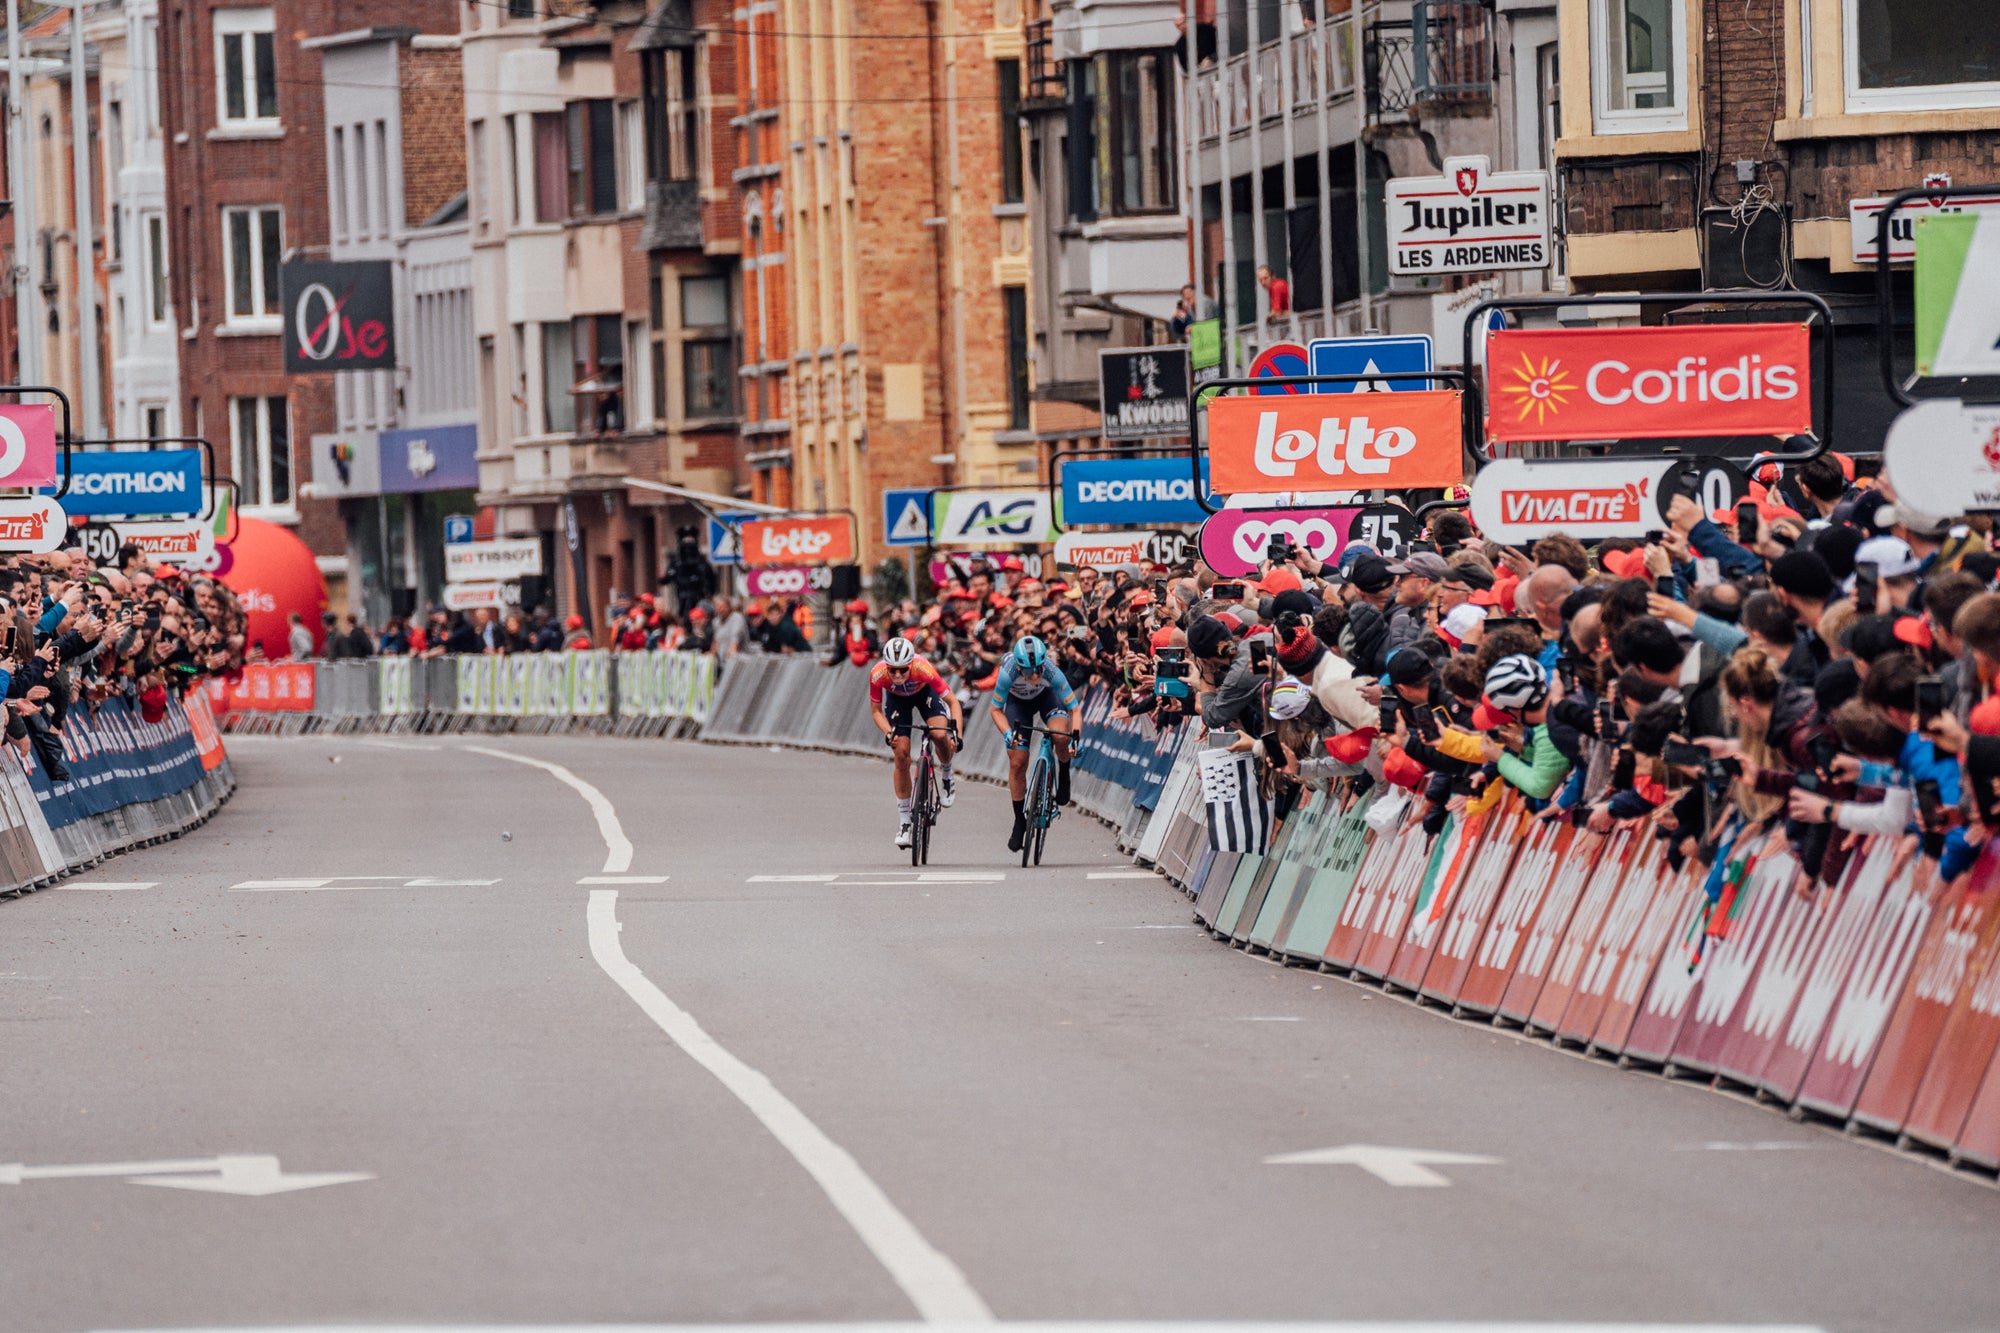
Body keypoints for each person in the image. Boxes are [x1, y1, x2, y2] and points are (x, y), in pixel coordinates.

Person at [868, 635, 963, 848]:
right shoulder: (877, 674)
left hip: (924, 694)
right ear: (886, 666)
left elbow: (953, 701)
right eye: (893, 670)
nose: (898, 674)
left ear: (911, 664)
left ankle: (947, 772)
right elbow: (875, 711)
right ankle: (904, 822)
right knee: (901, 754)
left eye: (903, 669)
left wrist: (957, 734)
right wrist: (887, 731)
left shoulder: (923, 668)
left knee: (939, 735)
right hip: (896, 701)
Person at [989, 634, 1080, 853]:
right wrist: (1008, 733)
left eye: (1038, 669)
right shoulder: (1007, 673)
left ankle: (1064, 771)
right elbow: (995, 710)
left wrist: (1075, 737)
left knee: (1060, 735)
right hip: (1017, 704)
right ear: (1019, 667)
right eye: (1029, 671)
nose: (1036, 675)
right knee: (1018, 761)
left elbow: (1074, 708)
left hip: (1046, 698)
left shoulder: (1050, 671)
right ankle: (1019, 821)